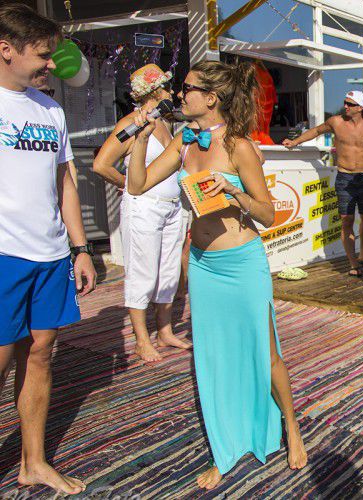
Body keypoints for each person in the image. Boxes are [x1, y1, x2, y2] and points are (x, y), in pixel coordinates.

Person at [127, 61, 307, 489]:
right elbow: (137, 185)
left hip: (242, 263)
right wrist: (140, 138)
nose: (180, 94)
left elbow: (268, 214)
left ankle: (292, 426)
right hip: (203, 266)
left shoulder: (239, 146)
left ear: (210, 98)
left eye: (187, 88)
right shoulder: (184, 141)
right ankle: (225, 446)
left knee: (264, 351)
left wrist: (233, 193)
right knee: (213, 358)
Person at [0, 3, 96, 494]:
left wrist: (80, 248)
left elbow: (65, 183)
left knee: (40, 354)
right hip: (4, 256)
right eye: (42, 55)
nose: (51, 65)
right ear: (6, 50)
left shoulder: (50, 109)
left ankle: (32, 463)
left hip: (51, 254)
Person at [94, 64, 190, 363]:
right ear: (154, 91)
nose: (173, 92)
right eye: (167, 87)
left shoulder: (165, 123)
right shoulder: (131, 122)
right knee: (143, 271)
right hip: (144, 206)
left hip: (171, 206)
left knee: (168, 271)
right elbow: (101, 164)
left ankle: (164, 330)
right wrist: (127, 184)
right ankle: (141, 339)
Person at [283, 90, 363, 277]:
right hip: (345, 177)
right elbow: (316, 131)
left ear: (360, 107)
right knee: (346, 220)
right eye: (345, 102)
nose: (345, 106)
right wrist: (295, 142)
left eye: (350, 104)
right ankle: (353, 262)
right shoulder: (336, 122)